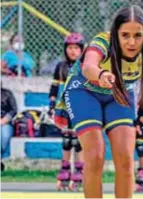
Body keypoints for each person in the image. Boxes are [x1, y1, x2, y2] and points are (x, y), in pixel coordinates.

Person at [54, 5, 143, 198]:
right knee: (95, 154)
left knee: (126, 159)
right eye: (125, 35)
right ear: (116, 33)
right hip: (84, 90)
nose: (132, 42)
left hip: (118, 93)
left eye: (138, 35)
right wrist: (100, 73)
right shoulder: (104, 40)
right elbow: (89, 65)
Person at [48, 33, 85, 191]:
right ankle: (64, 171)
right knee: (66, 141)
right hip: (64, 107)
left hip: (81, 107)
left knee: (78, 142)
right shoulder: (61, 67)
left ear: (81, 50)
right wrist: (51, 105)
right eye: (70, 48)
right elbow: (54, 87)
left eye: (76, 48)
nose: (73, 51)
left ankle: (79, 171)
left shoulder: (85, 66)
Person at [1, 83, 17, 171]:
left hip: (5, 122)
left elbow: (14, 109)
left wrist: (5, 119)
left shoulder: (7, 93)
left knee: (5, 136)